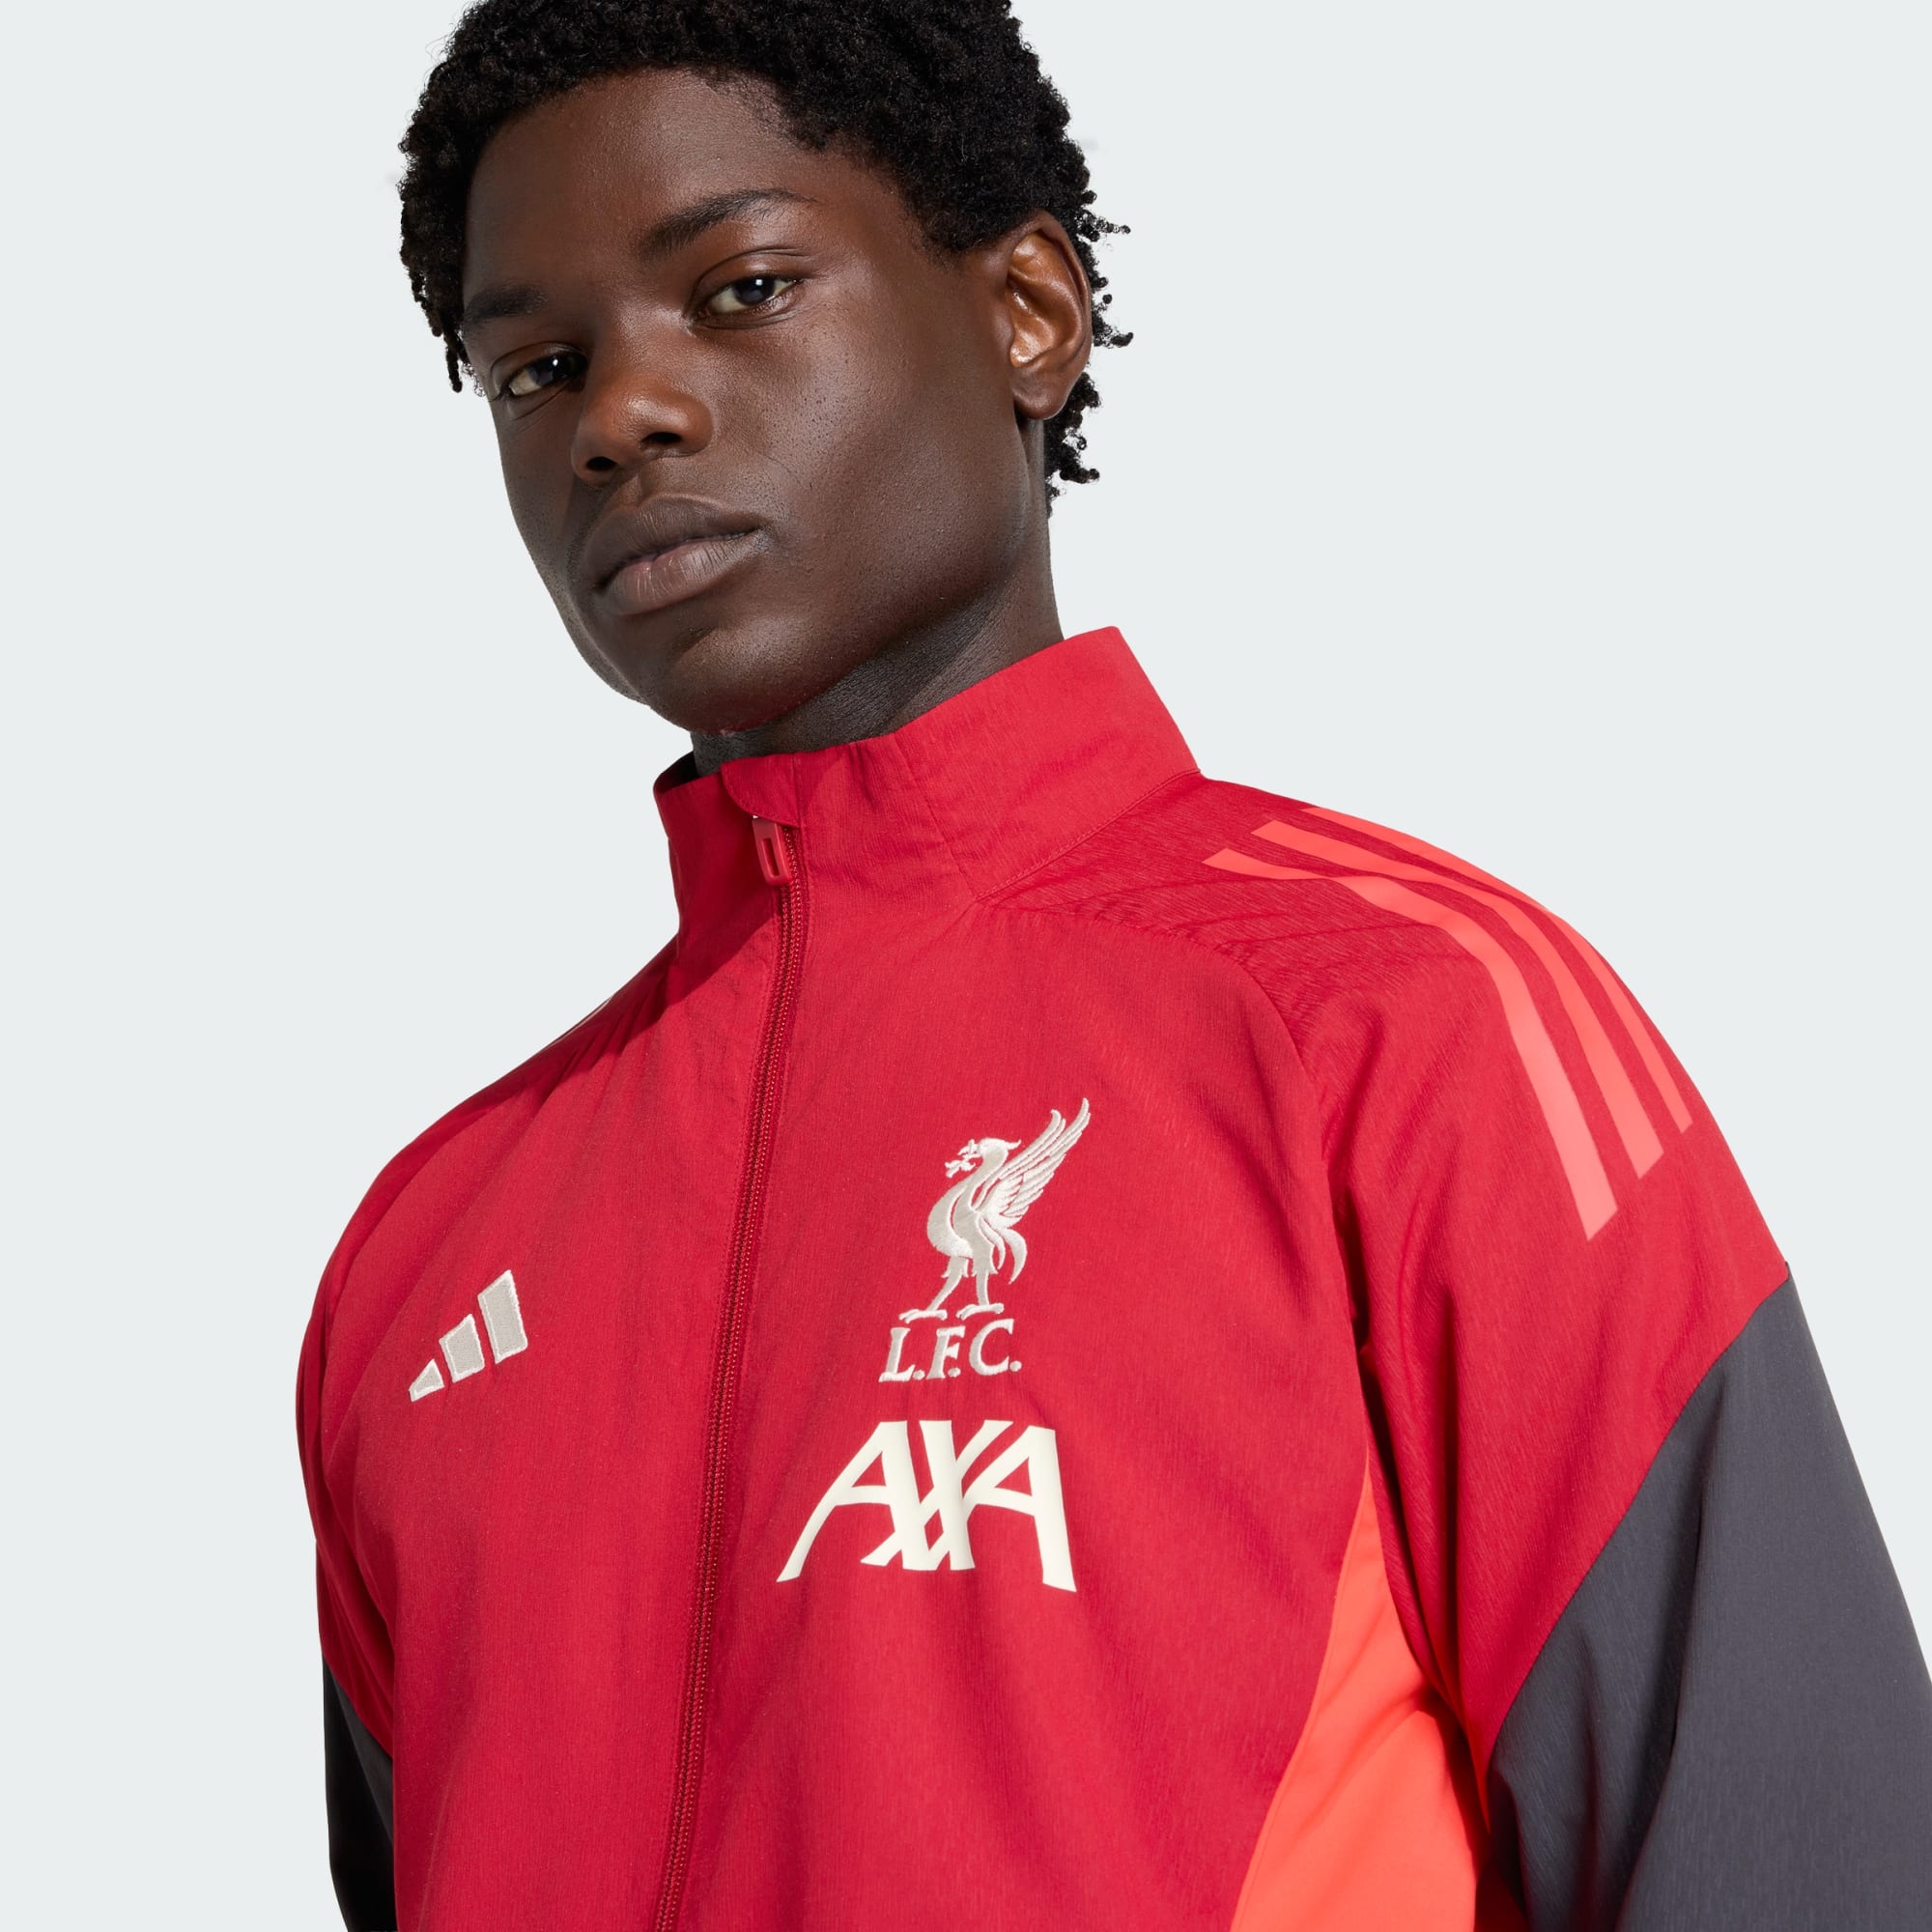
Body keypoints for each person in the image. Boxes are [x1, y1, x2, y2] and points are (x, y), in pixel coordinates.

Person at [296, 3, 1932, 1927]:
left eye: (740, 289)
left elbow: (1798, 1863)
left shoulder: (1402, 1026)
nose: (619, 416)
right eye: (538, 367)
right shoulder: (428, 1259)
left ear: (1028, 314)